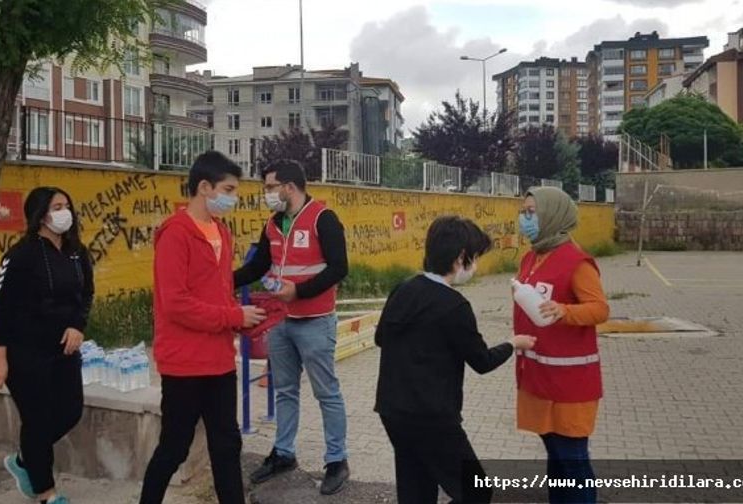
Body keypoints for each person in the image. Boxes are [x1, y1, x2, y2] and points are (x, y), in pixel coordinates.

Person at [374, 215, 537, 504]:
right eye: (474, 257)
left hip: (392, 409)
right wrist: (513, 343)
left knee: (416, 488)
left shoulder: (403, 289)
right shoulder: (454, 305)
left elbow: (380, 339)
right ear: (461, 257)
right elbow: (482, 361)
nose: (475, 265)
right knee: (476, 491)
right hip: (432, 417)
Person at [140, 151, 266, 504]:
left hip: (220, 360)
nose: (233, 198)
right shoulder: (175, 234)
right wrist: (232, 318)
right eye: (228, 189)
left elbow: (221, 291)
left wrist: (241, 319)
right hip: (184, 363)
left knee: (227, 444)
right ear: (204, 187)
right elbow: (176, 304)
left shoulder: (222, 232)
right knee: (175, 447)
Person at [234, 159, 350, 495]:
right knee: (284, 391)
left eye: (270, 187)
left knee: (327, 393)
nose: (267, 194)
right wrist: (222, 282)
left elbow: (339, 268)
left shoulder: (323, 219)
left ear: (290, 186)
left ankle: (337, 460)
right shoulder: (274, 223)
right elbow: (258, 265)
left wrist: (299, 291)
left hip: (315, 321)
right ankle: (283, 453)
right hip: (283, 323)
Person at [0, 186, 95, 504]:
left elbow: (85, 295)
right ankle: (47, 494)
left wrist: (78, 325)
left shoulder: (77, 253)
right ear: (39, 215)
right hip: (26, 354)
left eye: (67, 205)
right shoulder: (20, 256)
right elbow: (0, 308)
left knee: (70, 412)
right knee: (36, 420)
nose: (65, 212)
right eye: (56, 207)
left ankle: (25, 460)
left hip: (64, 352)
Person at [514, 187, 610, 504]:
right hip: (538, 376)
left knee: (572, 460)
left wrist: (564, 310)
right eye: (523, 211)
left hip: (570, 383)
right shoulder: (531, 257)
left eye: (531, 212)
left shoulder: (577, 261)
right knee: (555, 456)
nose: (524, 218)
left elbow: (599, 309)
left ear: (553, 215)